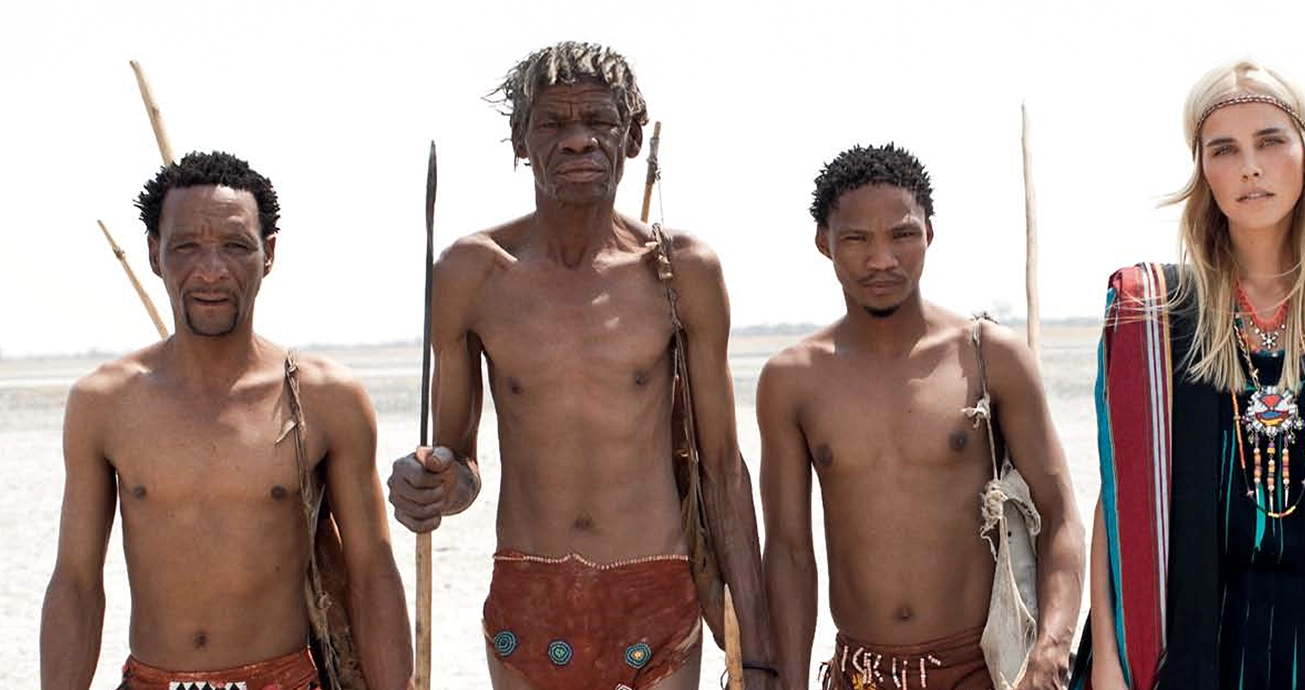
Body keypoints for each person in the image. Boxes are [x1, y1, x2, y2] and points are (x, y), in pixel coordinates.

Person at [384, 42, 776, 690]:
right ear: (518, 140)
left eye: (599, 122)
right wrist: (431, 482)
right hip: (527, 595)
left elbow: (725, 473)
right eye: (553, 124)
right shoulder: (472, 274)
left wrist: (756, 653)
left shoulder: (680, 272)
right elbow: (462, 465)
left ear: (630, 138)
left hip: (656, 590)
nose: (578, 142)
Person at [1073, 60, 1305, 690]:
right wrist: (1108, 657)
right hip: (1198, 647)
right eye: (1224, 149)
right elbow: (1122, 499)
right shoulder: (1158, 313)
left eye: (1270, 141)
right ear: (1202, 172)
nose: (1250, 166)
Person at [41, 151, 412, 690]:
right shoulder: (106, 402)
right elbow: (75, 583)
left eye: (236, 246)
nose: (211, 270)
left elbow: (372, 574)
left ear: (268, 254)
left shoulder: (326, 398)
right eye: (187, 246)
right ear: (153, 253)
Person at [758, 144, 1085, 690]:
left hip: (983, 671)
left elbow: (1059, 515)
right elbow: (790, 552)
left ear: (930, 233)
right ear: (824, 243)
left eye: (902, 235)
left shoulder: (990, 357)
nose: (881, 259)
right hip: (860, 674)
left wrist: (1050, 649)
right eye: (857, 238)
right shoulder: (793, 380)